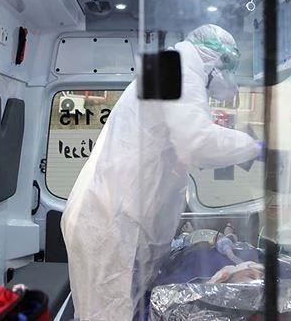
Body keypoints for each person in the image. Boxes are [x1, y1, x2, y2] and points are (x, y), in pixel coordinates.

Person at [61, 24, 261, 321]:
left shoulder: (170, 69)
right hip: (110, 220)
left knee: (121, 309)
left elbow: (182, 147)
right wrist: (255, 147)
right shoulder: (178, 70)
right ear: (214, 59)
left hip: (119, 216)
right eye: (228, 67)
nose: (227, 77)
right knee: (106, 314)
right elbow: (198, 141)